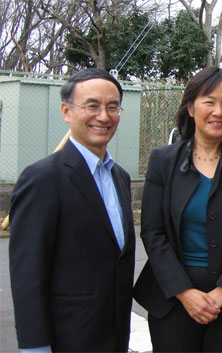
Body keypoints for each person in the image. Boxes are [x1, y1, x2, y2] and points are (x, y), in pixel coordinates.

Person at [133, 67, 222, 352]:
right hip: (172, 299)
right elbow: (153, 233)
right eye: (209, 101)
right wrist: (184, 293)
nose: (218, 111)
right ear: (191, 107)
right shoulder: (163, 161)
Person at [9, 68, 136, 352]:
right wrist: (35, 347)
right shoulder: (42, 178)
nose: (103, 116)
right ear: (67, 111)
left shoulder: (120, 177)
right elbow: (28, 273)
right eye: (92, 106)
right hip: (66, 339)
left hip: (113, 337)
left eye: (112, 107)